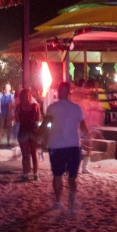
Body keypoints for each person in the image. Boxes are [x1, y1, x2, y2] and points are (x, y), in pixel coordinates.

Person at [38, 82, 90, 216]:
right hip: (73, 145)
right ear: (69, 92)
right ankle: (71, 207)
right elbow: (84, 128)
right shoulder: (76, 108)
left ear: (59, 92)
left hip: (56, 145)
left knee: (57, 175)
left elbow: (44, 125)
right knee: (72, 178)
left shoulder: (52, 108)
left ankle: (58, 201)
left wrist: (39, 137)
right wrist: (87, 140)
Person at [16, 88, 42, 182]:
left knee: (25, 155)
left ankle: (25, 175)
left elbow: (17, 120)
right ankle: (36, 174)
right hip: (33, 131)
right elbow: (38, 119)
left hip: (23, 131)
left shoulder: (19, 107)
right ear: (30, 96)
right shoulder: (35, 106)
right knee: (34, 154)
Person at [0, 82, 15, 146]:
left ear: (10, 88)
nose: (7, 88)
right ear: (4, 88)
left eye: (8, 87)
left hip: (10, 115)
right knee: (1, 128)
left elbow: (13, 105)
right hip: (2, 114)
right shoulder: (0, 96)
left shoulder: (12, 96)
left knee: (9, 128)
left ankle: (8, 142)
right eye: (6, 87)